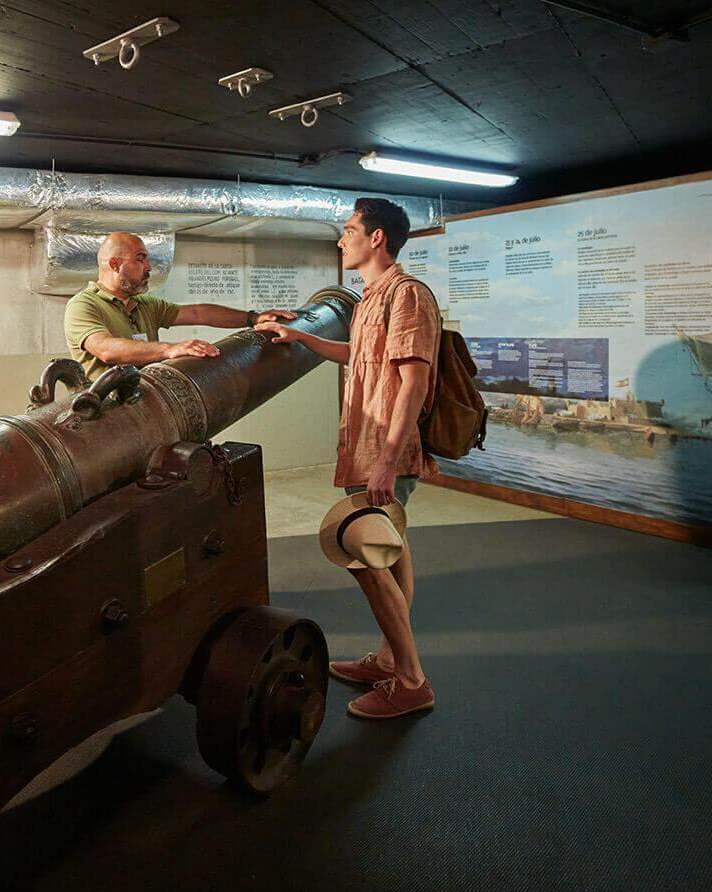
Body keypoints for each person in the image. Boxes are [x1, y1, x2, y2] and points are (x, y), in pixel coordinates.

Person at [254, 198, 440, 719]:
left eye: (349, 230)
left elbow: (413, 383)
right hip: (365, 449)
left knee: (366, 557)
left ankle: (411, 680)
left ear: (376, 238)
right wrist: (301, 336)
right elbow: (358, 357)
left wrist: (386, 460)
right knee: (391, 549)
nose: (342, 240)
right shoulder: (371, 298)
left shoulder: (407, 296)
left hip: (384, 452)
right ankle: (388, 659)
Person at [64, 232, 298, 379]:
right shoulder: (84, 305)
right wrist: (169, 349)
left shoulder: (144, 305)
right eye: (140, 259)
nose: (148, 267)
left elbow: (198, 313)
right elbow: (106, 349)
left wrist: (253, 318)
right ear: (115, 264)